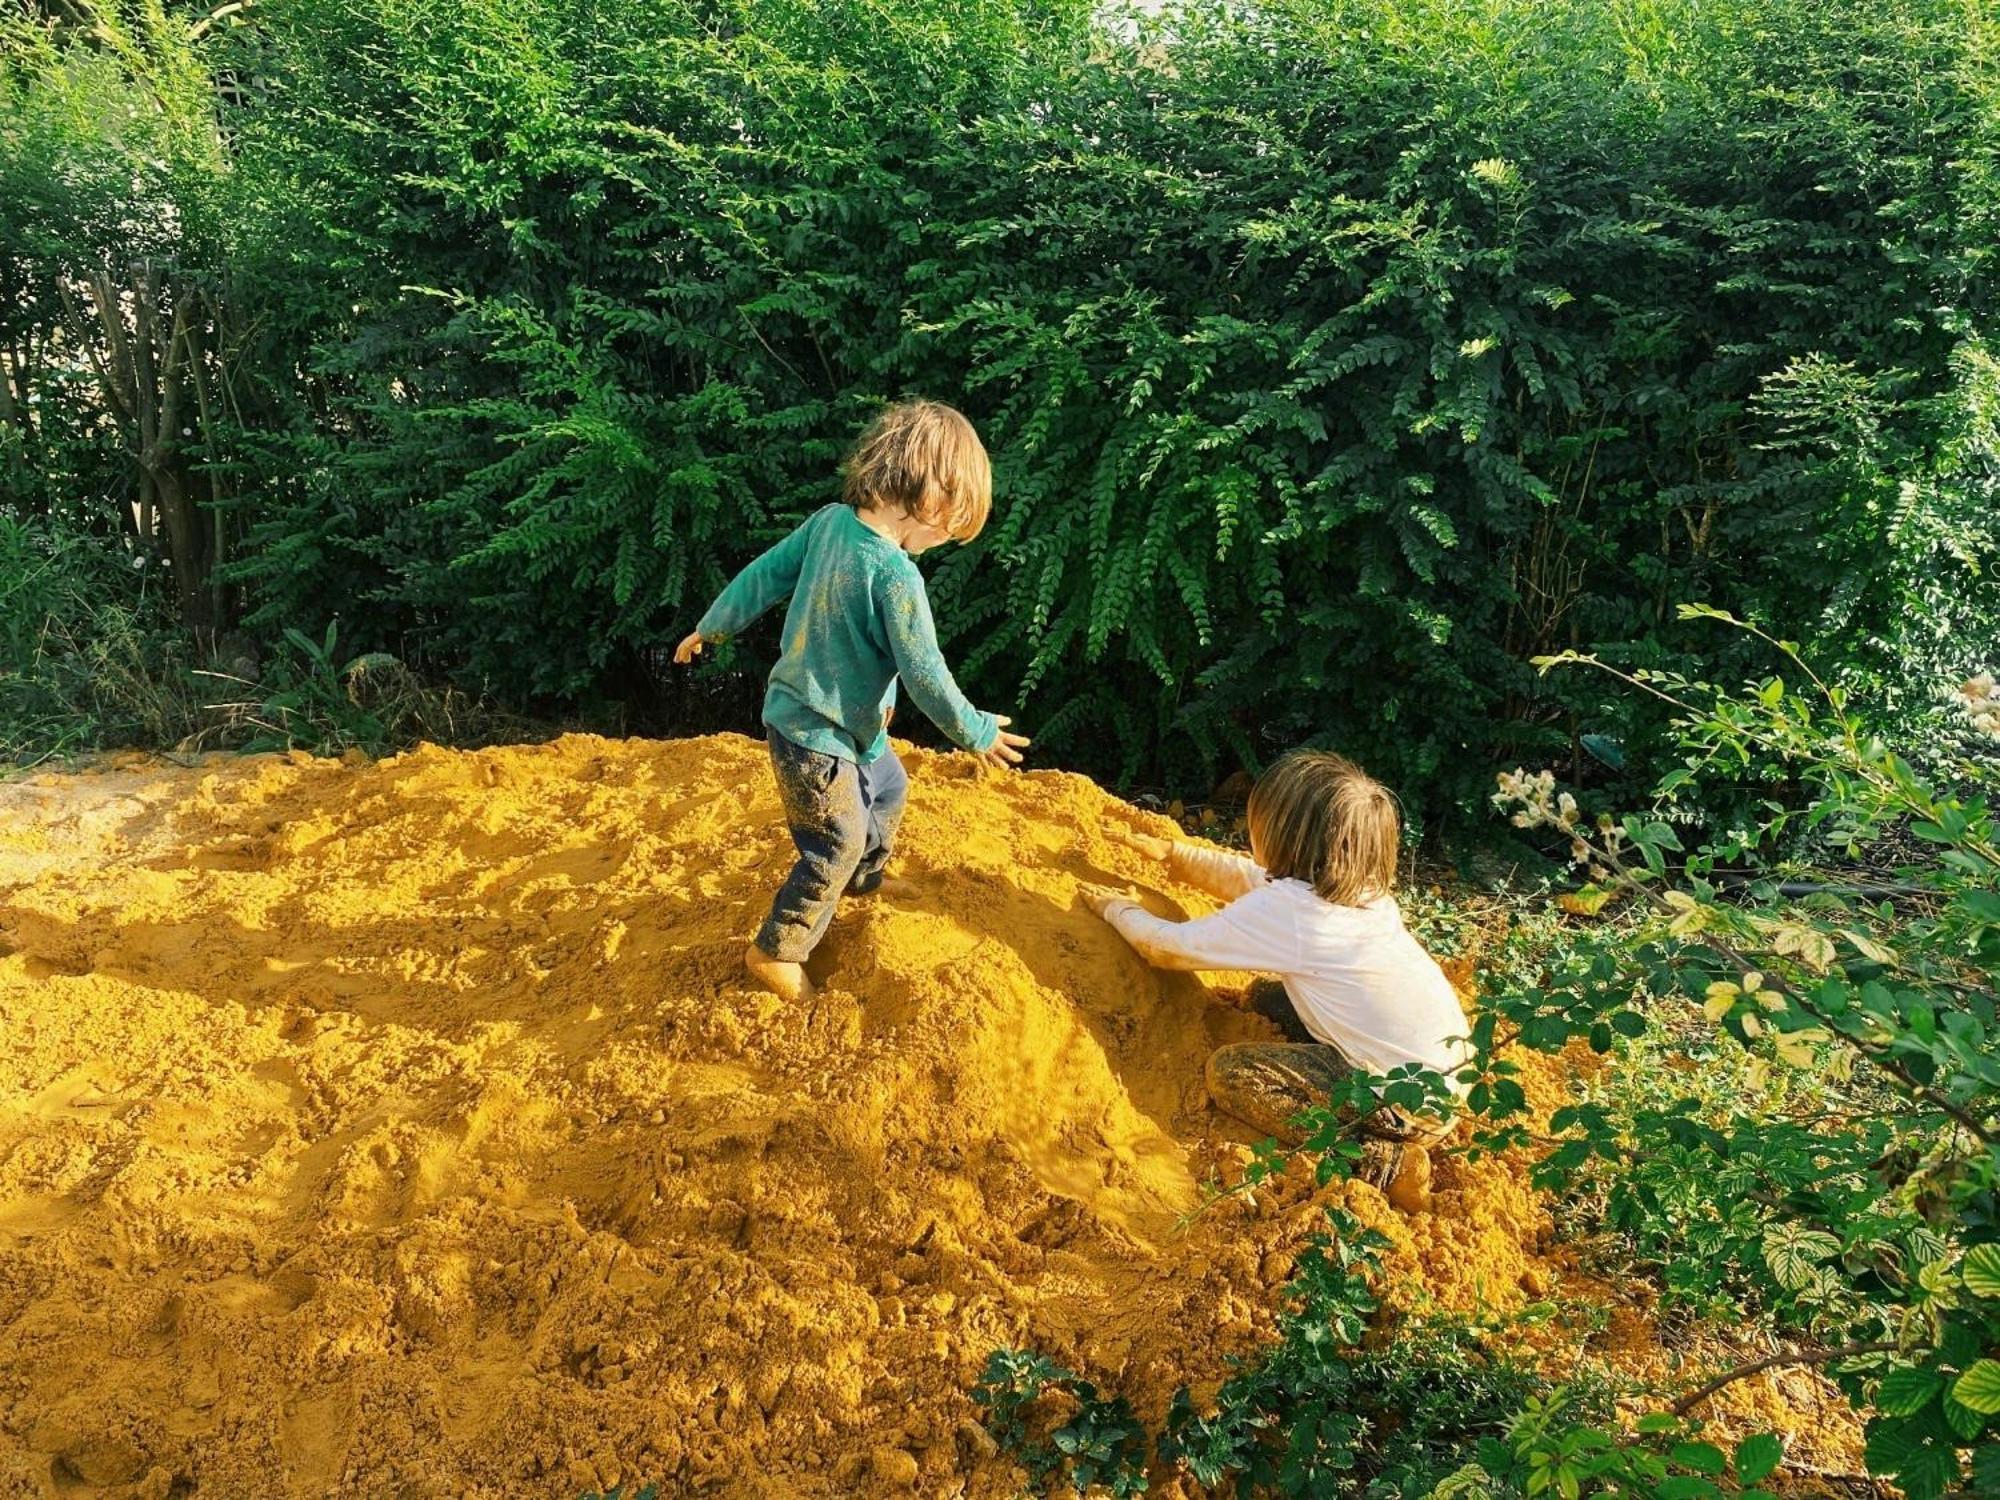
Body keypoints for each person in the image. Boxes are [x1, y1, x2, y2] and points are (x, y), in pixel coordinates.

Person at [676, 400, 1030, 1002]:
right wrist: (975, 731)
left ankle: (864, 882)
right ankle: (777, 949)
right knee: (834, 841)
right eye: (949, 526)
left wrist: (713, 624)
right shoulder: (895, 575)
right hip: (814, 736)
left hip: (855, 731)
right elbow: (926, 674)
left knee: (890, 790)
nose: (941, 542)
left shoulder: (830, 521)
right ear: (931, 495)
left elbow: (763, 573)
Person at [1081, 750, 1470, 1209]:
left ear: (1283, 839)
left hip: (1399, 1105)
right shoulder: (1362, 892)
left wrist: (1116, 909)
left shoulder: (1295, 916)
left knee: (1234, 1075)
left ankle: (1384, 1162)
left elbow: (1165, 948)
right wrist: (1174, 855)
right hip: (1443, 1080)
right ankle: (1387, 1129)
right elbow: (1253, 880)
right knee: (1266, 997)